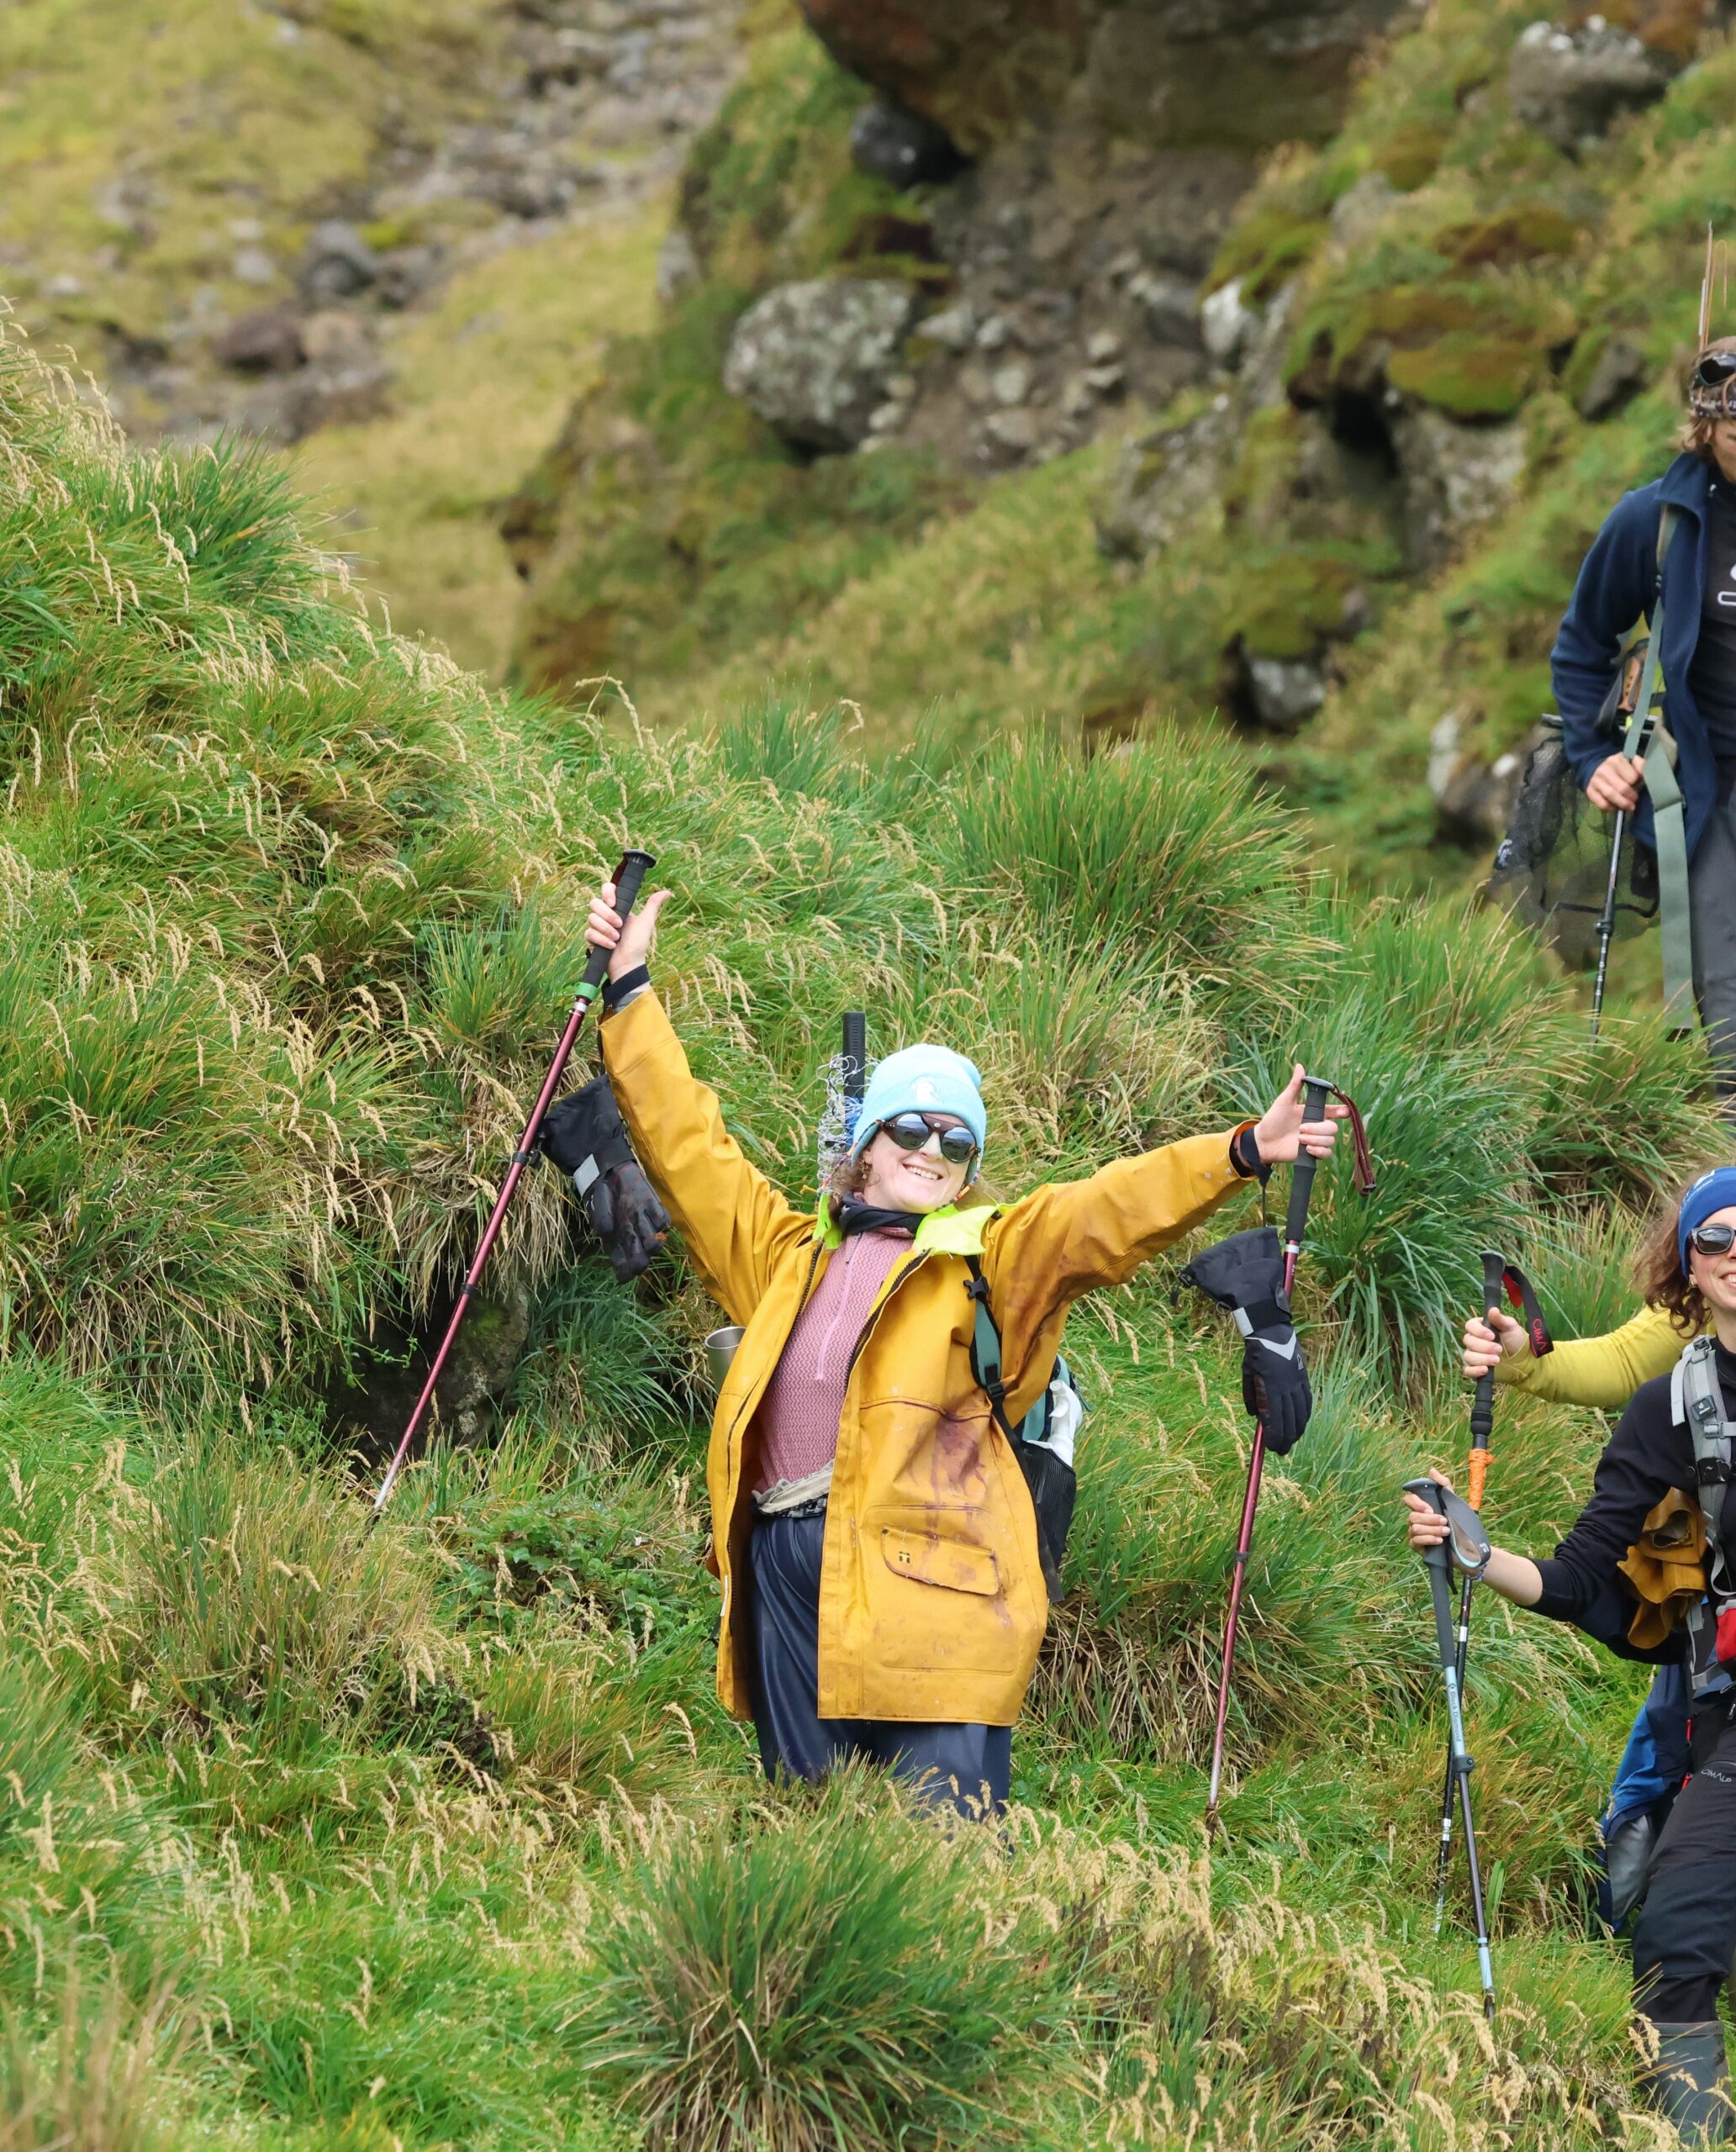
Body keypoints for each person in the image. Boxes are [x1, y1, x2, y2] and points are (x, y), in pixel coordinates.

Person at [585, 874, 1343, 1816]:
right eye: (909, 1125)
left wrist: (1236, 1152)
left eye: (955, 1140)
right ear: (866, 1143)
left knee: (944, 1853)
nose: (930, 1148)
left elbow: (1097, 1212)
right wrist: (628, 993)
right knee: (813, 1830)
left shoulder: (991, 1257)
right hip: (786, 1563)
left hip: (934, 1582)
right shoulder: (785, 1258)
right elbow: (688, 1147)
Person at [1406, 1169, 1736, 2144]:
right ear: (1689, 1267)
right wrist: (1477, 1553)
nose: (1735, 1251)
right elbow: (1591, 1577)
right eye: (1714, 1238)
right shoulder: (1673, 1405)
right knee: (1670, 1932)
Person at [1554, 338, 1736, 1094]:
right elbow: (1582, 643)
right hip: (1704, 793)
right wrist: (1593, 755)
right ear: (1705, 430)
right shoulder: (1656, 523)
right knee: (1725, 1000)